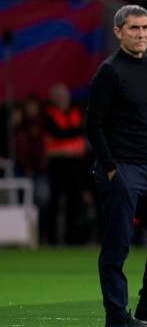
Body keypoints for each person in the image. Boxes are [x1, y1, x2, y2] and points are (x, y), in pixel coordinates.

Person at [85, 5, 147, 327]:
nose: (141, 35)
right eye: (134, 29)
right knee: (118, 244)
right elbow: (93, 124)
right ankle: (116, 315)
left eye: (145, 29)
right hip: (121, 169)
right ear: (118, 32)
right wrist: (111, 169)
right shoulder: (109, 71)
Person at [43, 84, 86, 245]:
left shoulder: (76, 112)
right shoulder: (49, 116)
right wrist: (70, 142)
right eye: (58, 95)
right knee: (54, 201)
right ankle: (53, 240)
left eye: (64, 94)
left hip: (75, 165)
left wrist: (64, 143)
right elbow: (56, 135)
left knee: (74, 202)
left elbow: (79, 134)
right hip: (57, 165)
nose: (61, 98)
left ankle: (73, 239)